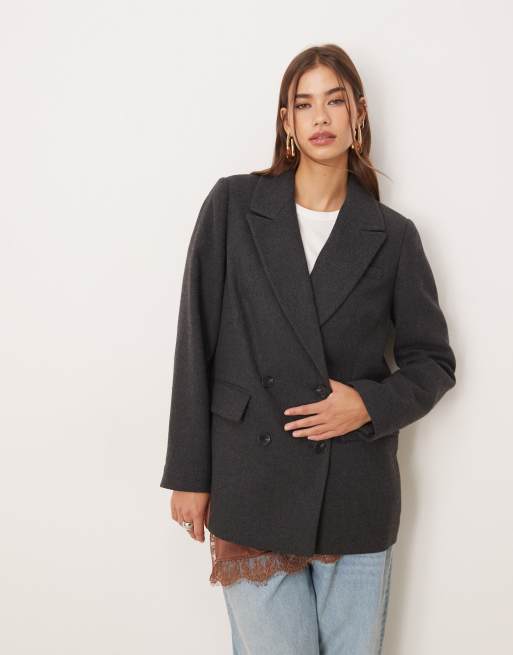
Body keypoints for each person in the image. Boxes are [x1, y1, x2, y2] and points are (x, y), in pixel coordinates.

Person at [160, 43, 457, 655]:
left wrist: (368, 405)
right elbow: (196, 340)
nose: (320, 116)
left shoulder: (394, 236)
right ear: (286, 121)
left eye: (334, 101)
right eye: (303, 104)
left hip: (353, 488)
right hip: (252, 479)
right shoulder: (233, 206)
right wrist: (189, 474)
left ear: (358, 114)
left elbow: (433, 362)